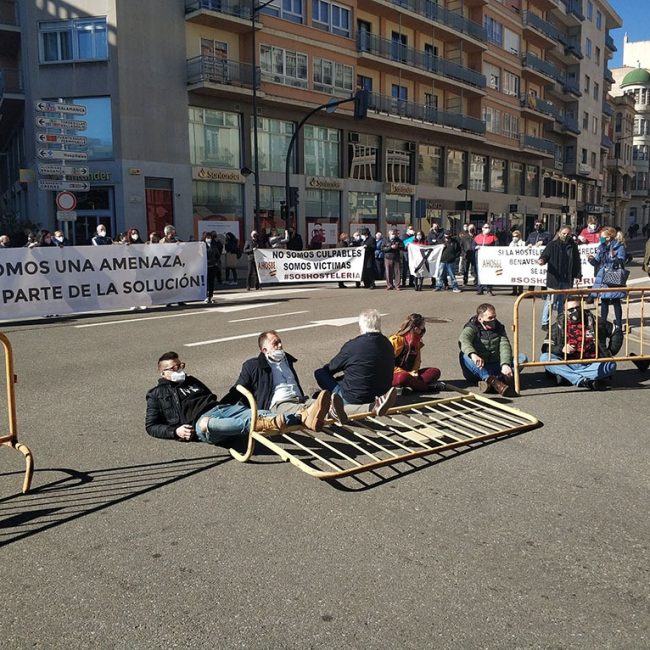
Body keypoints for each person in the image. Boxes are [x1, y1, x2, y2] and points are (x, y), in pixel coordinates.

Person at [145, 352, 322, 444]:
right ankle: (268, 423)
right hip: (200, 423)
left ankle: (304, 417)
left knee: (257, 413)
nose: (179, 370)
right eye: (174, 368)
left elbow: (209, 396)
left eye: (180, 366)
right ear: (163, 373)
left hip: (219, 408)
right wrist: (175, 431)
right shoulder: (156, 394)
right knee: (211, 423)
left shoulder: (191, 380)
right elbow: (151, 426)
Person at [222, 330, 347, 427]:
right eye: (275, 343)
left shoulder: (287, 360)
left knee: (334, 405)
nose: (280, 345)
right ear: (264, 350)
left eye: (280, 342)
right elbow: (238, 390)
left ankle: (363, 408)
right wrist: (220, 408)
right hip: (279, 405)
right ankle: (320, 413)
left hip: (301, 400)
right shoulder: (253, 365)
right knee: (315, 407)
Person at [314, 309, 397, 415]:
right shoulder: (388, 344)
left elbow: (332, 368)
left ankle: (338, 401)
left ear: (361, 326)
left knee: (320, 373)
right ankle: (377, 402)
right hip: (382, 393)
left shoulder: (352, 346)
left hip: (354, 398)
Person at [540, 296, 621, 390]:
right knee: (545, 358)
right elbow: (545, 348)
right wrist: (561, 349)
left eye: (577, 308)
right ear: (565, 312)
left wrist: (610, 352)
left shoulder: (595, 321)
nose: (575, 311)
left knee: (611, 365)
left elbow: (616, 331)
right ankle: (581, 380)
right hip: (567, 363)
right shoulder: (558, 325)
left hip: (591, 363)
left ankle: (567, 377)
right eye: (571, 309)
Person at [458, 303, 519, 397]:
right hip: (478, 368)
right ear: (480, 318)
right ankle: (493, 381)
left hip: (495, 365)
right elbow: (463, 340)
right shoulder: (471, 327)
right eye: (490, 318)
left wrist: (505, 364)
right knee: (464, 355)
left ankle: (491, 383)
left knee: (522, 358)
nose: (493, 320)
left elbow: (505, 345)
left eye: (494, 317)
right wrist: (473, 354)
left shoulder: (499, 327)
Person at [538, 225, 582, 331]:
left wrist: (578, 275)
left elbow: (577, 261)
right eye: (564, 234)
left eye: (568, 234)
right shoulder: (552, 245)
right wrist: (542, 260)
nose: (566, 236)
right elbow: (545, 255)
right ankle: (545, 322)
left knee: (562, 302)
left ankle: (560, 321)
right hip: (554, 279)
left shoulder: (573, 246)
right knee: (551, 301)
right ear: (559, 233)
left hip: (567, 278)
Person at [389, 313, 442, 392]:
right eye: (422, 328)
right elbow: (387, 364)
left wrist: (414, 372)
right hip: (394, 374)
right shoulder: (397, 340)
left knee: (435, 372)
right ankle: (426, 388)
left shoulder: (416, 342)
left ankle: (409, 386)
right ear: (415, 328)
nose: (423, 331)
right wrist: (405, 373)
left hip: (410, 374)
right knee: (403, 377)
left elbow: (417, 362)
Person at [587, 226, 627, 331]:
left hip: (614, 275)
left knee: (615, 300)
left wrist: (614, 257)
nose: (601, 238)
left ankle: (618, 323)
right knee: (604, 300)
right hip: (603, 275)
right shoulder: (601, 247)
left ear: (609, 237)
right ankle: (603, 323)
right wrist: (590, 259)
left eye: (602, 237)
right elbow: (597, 262)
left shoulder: (619, 247)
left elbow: (622, 261)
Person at [474, 223, 497, 295]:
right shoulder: (477, 237)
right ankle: (480, 289)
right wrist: (475, 247)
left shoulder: (493, 237)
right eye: (486, 227)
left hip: (489, 259)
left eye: (488, 227)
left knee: (489, 273)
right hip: (479, 258)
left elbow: (497, 247)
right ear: (482, 228)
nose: (487, 228)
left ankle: (489, 289)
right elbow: (472, 246)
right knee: (479, 273)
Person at [203, 231, 223, 304]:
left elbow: (217, 254)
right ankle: (205, 296)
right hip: (205, 267)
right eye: (207, 237)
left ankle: (210, 296)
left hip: (213, 266)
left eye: (210, 237)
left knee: (211, 282)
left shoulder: (214, 245)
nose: (209, 239)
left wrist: (216, 262)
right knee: (206, 282)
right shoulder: (202, 246)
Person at [509, 230, 526, 296]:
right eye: (513, 236)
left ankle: (520, 291)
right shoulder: (511, 243)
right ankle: (514, 290)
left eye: (516, 236)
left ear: (519, 236)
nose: (514, 237)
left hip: (521, 263)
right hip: (513, 263)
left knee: (520, 277)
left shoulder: (523, 243)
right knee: (514, 276)